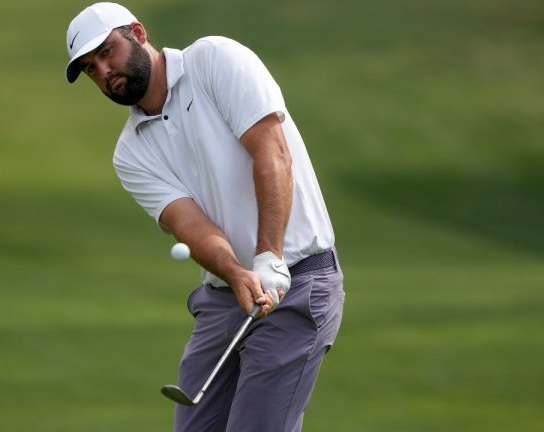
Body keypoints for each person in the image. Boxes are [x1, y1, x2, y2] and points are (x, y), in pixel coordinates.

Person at [64, 3, 345, 431]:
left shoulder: (214, 59)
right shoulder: (131, 153)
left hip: (299, 282)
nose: (103, 70)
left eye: (107, 52)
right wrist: (236, 272)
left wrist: (268, 256)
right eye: (90, 68)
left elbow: (272, 152)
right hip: (223, 297)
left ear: (138, 32)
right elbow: (191, 226)